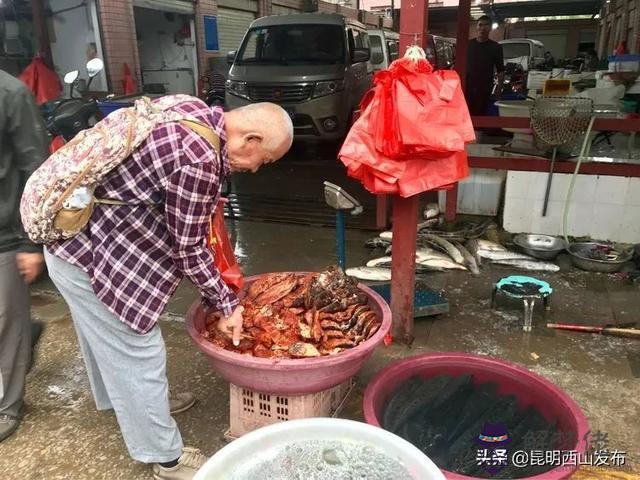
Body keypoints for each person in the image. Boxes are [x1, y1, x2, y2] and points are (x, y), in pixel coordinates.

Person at [43, 99, 293, 480]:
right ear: (250, 138)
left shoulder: (191, 108)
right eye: (265, 159)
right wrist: (227, 304)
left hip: (74, 242)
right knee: (139, 350)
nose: (258, 168)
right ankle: (165, 456)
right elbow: (189, 248)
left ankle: (137, 407)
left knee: (105, 338)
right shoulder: (199, 160)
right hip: (89, 254)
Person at [0, 69, 49, 442]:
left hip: (6, 235)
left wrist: (31, 243)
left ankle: (7, 407)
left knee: (5, 324)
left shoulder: (11, 94)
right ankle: (26, 336)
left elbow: (36, 170)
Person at [465, 15, 505, 116]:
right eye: (480, 25)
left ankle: (479, 132)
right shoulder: (467, 45)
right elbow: (458, 64)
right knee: (465, 114)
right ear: (476, 27)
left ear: (490, 28)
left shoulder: (496, 47)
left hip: (484, 87)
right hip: (466, 86)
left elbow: (500, 70)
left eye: (486, 25)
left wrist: (499, 89)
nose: (483, 28)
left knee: (480, 113)